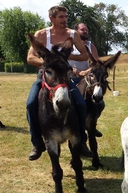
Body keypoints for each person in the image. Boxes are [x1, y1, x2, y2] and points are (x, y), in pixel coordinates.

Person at [26, 5, 91, 161]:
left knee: (81, 104)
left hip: (64, 78)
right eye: (61, 17)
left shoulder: (73, 34)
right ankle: (37, 143)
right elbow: (30, 58)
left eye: (66, 16)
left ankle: (81, 142)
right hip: (46, 77)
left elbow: (84, 55)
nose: (64, 20)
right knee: (30, 103)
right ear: (52, 18)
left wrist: (67, 58)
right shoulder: (41, 34)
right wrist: (48, 63)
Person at [68, 22, 104, 138]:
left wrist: (86, 72)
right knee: (76, 104)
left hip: (87, 79)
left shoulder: (90, 46)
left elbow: (97, 65)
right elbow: (63, 60)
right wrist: (72, 69)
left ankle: (91, 124)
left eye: (86, 30)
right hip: (71, 78)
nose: (86, 31)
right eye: (83, 30)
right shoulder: (70, 45)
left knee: (100, 104)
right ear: (76, 32)